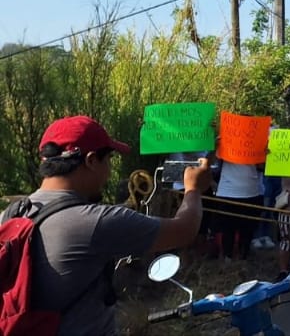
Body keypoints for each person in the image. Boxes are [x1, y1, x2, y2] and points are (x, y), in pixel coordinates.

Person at [4, 116, 212, 336]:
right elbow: (184, 230)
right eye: (109, 160)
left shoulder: (12, 214)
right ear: (92, 161)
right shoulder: (96, 222)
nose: (109, 171)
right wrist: (193, 189)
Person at [211, 144, 265, 261]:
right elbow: (214, 160)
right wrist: (217, 145)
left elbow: (261, 167)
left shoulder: (258, 138)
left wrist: (264, 154)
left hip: (250, 192)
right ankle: (227, 259)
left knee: (247, 231)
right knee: (227, 230)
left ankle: (242, 259)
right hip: (228, 192)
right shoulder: (225, 138)